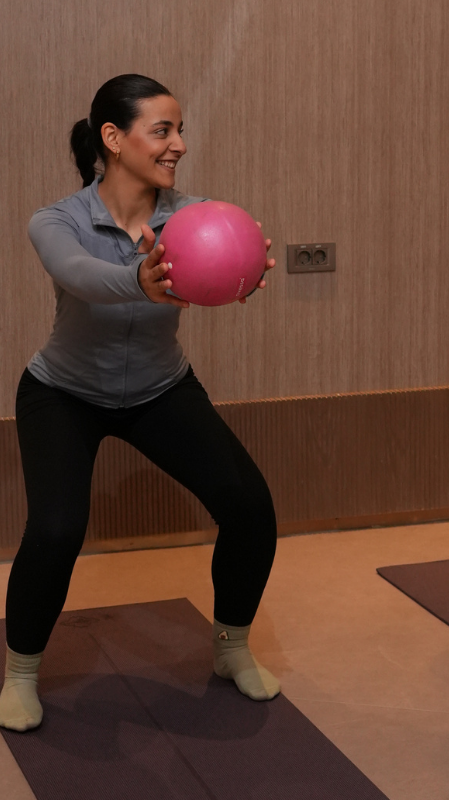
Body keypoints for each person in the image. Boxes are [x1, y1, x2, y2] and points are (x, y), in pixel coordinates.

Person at [0, 74, 281, 731]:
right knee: (56, 529)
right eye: (162, 130)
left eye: (180, 130)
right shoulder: (57, 220)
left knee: (250, 508)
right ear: (113, 138)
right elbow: (79, 275)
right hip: (63, 393)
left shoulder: (193, 216)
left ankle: (231, 648)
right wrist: (139, 279)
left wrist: (240, 272)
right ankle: (20, 674)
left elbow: (223, 259)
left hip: (159, 389)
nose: (178, 143)